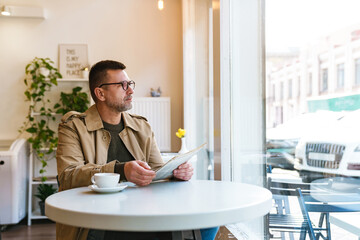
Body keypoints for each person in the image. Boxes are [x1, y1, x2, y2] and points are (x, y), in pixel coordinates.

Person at [56, 60, 217, 240]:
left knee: (211, 218)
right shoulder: (73, 127)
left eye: (130, 84)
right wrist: (121, 170)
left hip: (145, 216)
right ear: (100, 93)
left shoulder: (141, 126)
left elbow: (156, 170)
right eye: (122, 85)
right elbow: (68, 175)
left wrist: (176, 173)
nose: (131, 90)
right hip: (100, 223)